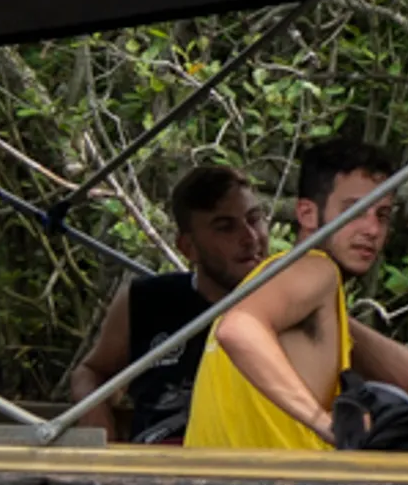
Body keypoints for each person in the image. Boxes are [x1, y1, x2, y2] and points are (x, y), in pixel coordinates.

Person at [184, 135, 408, 451]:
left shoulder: (278, 284)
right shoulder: (317, 270)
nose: (372, 229)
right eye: (354, 210)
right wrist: (326, 424)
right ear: (306, 214)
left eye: (382, 215)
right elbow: (237, 329)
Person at [64, 163, 268, 444]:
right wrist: (96, 419)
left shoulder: (298, 303)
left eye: (254, 219)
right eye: (225, 227)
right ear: (188, 248)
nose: (250, 237)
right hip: (154, 467)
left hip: (251, 468)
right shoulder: (146, 300)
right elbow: (90, 372)